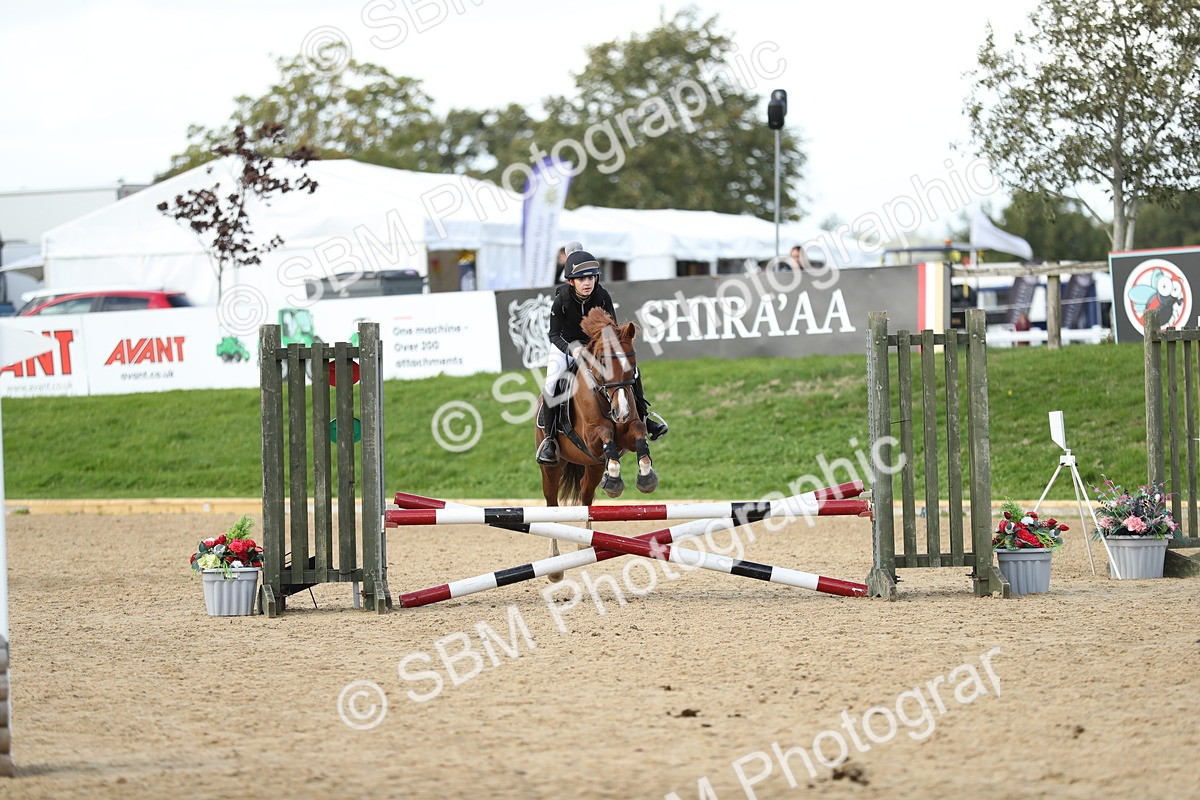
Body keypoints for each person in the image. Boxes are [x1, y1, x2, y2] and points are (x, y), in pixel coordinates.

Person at [536, 249, 668, 465]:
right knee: (551, 384)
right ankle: (550, 440)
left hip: (596, 349)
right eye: (581, 279)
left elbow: (612, 330)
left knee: (631, 370)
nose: (587, 283)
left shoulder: (602, 296)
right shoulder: (561, 301)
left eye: (590, 277)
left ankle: (645, 418)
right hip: (566, 348)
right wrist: (572, 350)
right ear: (571, 282)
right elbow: (554, 335)